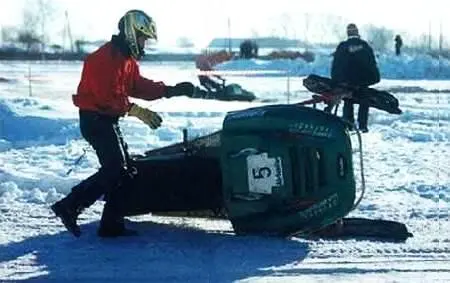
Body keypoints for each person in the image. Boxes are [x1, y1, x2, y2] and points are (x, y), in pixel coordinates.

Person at [51, 9, 194, 238]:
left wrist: (170, 90)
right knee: (115, 169)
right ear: (131, 33)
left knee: (126, 171)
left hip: (107, 120)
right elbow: (105, 97)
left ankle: (111, 225)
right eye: (142, 38)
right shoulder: (103, 59)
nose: (144, 44)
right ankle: (69, 206)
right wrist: (135, 110)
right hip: (94, 120)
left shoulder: (126, 60)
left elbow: (137, 86)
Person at [331, 23, 380, 132]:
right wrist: (373, 77)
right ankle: (363, 125)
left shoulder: (343, 46)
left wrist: (336, 81)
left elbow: (336, 65)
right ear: (357, 32)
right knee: (364, 103)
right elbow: (372, 63)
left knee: (348, 102)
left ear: (347, 33)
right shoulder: (365, 46)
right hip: (362, 81)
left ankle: (348, 125)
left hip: (347, 82)